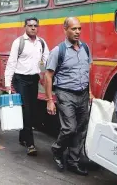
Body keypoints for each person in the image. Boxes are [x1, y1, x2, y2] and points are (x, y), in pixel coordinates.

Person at [45, 17, 94, 176]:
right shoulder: (58, 51)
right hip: (65, 93)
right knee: (69, 128)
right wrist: (50, 100)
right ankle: (57, 149)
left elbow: (88, 71)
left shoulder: (85, 48)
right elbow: (48, 76)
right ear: (65, 30)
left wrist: (90, 91)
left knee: (80, 130)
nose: (77, 32)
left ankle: (73, 162)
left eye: (79, 28)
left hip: (83, 94)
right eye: (74, 29)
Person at [4, 17, 50, 156]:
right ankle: (30, 144)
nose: (33, 28)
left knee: (33, 109)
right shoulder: (18, 42)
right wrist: (8, 84)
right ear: (25, 27)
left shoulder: (41, 42)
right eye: (30, 25)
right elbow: (11, 63)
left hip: (33, 79)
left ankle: (22, 136)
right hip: (20, 79)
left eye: (35, 25)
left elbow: (47, 59)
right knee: (26, 109)